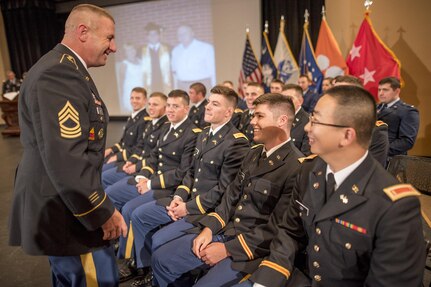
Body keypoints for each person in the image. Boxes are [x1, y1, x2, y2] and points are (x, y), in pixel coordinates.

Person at [242, 85, 425, 287]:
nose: (306, 128)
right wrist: (267, 281)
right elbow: (290, 232)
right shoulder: (308, 171)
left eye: (316, 121)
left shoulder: (395, 205)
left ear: (347, 135)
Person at [8, 4, 127, 286]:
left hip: (64, 205)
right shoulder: (60, 73)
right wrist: (101, 211)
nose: (114, 47)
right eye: (109, 38)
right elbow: (67, 158)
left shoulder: (65, 68)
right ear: (83, 32)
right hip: (70, 213)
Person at [151, 94, 303, 287]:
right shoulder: (254, 153)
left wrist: (227, 249)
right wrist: (209, 228)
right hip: (225, 229)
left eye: (259, 116)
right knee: (161, 258)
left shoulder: (296, 167)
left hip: (252, 248)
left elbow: (278, 228)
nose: (252, 121)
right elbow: (230, 197)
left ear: (281, 120)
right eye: (253, 116)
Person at [128, 86, 250, 286]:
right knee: (145, 221)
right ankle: (152, 273)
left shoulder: (235, 143)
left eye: (215, 104)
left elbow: (224, 190)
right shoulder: (204, 135)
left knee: (159, 241)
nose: (208, 107)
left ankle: (172, 278)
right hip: (189, 202)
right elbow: (192, 173)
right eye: (209, 102)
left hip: (208, 211)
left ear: (228, 112)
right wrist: (178, 198)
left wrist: (188, 207)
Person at [101, 92, 168, 188]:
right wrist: (131, 161)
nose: (151, 107)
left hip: (147, 170)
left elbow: (155, 157)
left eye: (155, 104)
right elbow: (140, 146)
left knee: (105, 180)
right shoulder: (150, 124)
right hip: (137, 163)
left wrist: (135, 166)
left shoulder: (164, 127)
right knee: (102, 174)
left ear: (165, 108)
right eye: (150, 104)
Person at [333, 75, 389, 166]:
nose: (335, 96)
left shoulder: (375, 131)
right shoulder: (327, 123)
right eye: (334, 91)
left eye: (342, 91)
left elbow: (371, 170)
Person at [103, 87, 149, 171]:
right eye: (132, 98)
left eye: (138, 98)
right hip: (122, 154)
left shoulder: (144, 121)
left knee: (101, 172)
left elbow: (138, 147)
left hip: (129, 160)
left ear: (145, 100)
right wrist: (110, 150)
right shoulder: (132, 118)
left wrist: (117, 157)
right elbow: (123, 142)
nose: (134, 101)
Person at [377, 77, 420, 159]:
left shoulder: (408, 111)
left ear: (397, 91)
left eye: (385, 90)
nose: (381, 93)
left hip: (390, 160)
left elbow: (406, 141)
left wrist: (380, 150)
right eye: (379, 90)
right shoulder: (374, 108)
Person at [171, 25, 215, 90]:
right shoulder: (175, 51)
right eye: (179, 34)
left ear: (192, 33)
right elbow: (175, 73)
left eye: (185, 33)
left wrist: (214, 88)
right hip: (182, 86)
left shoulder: (206, 48)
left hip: (201, 85)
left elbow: (212, 70)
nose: (182, 36)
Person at [141, 22, 171, 95]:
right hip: (150, 83)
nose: (152, 36)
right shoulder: (141, 51)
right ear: (147, 37)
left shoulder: (168, 48)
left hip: (164, 82)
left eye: (155, 34)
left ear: (159, 36)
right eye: (150, 34)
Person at [281, 84, 310, 155]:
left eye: (290, 98)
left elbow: (306, 156)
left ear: (300, 101)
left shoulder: (308, 122)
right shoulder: (278, 118)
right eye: (282, 99)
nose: (285, 102)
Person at [118, 43, 144, 112]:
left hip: (142, 91)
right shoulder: (124, 64)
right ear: (125, 53)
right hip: (130, 92)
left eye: (132, 49)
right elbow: (121, 82)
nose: (131, 51)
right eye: (128, 50)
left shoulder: (141, 61)